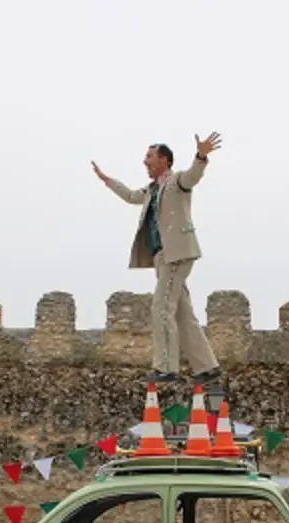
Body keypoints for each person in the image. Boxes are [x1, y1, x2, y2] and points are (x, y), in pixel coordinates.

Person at [91, 132, 224, 384]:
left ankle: (166, 368)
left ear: (164, 159)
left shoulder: (177, 182)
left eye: (149, 156)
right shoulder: (152, 189)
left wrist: (201, 155)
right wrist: (106, 180)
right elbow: (131, 196)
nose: (145, 161)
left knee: (161, 307)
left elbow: (193, 176)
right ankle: (207, 367)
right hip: (162, 257)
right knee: (183, 312)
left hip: (177, 253)